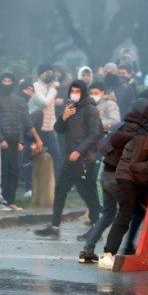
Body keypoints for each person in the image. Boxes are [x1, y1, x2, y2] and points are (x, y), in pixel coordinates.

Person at [99, 103, 148, 268]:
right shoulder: (144, 135)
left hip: (146, 178)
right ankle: (107, 254)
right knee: (126, 213)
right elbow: (134, 165)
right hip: (128, 176)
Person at [79, 99, 148, 263]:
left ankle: (88, 249)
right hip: (118, 177)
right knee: (134, 211)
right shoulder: (137, 132)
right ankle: (124, 247)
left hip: (106, 174)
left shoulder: (119, 125)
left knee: (108, 214)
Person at [35, 80, 103, 239]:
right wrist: (63, 117)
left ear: (84, 92)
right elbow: (58, 129)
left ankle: (95, 228)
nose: (74, 94)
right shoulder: (71, 107)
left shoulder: (91, 110)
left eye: (78, 91)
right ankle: (55, 225)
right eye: (72, 91)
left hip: (84, 159)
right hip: (69, 159)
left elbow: (95, 134)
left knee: (89, 194)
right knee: (60, 190)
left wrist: (79, 151)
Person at [0, 72, 27, 211]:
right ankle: (0, 202)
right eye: (4, 80)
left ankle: (10, 201)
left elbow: (19, 121)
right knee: (1, 172)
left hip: (15, 140)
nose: (7, 83)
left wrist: (21, 140)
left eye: (9, 80)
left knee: (14, 171)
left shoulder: (16, 99)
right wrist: (0, 139)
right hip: (2, 142)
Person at [33, 64, 61, 181]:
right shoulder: (35, 87)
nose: (50, 75)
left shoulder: (50, 88)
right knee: (34, 157)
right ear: (40, 74)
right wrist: (53, 91)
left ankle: (55, 184)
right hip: (38, 129)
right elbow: (44, 103)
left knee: (56, 157)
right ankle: (31, 187)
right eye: (47, 73)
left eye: (51, 72)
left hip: (51, 129)